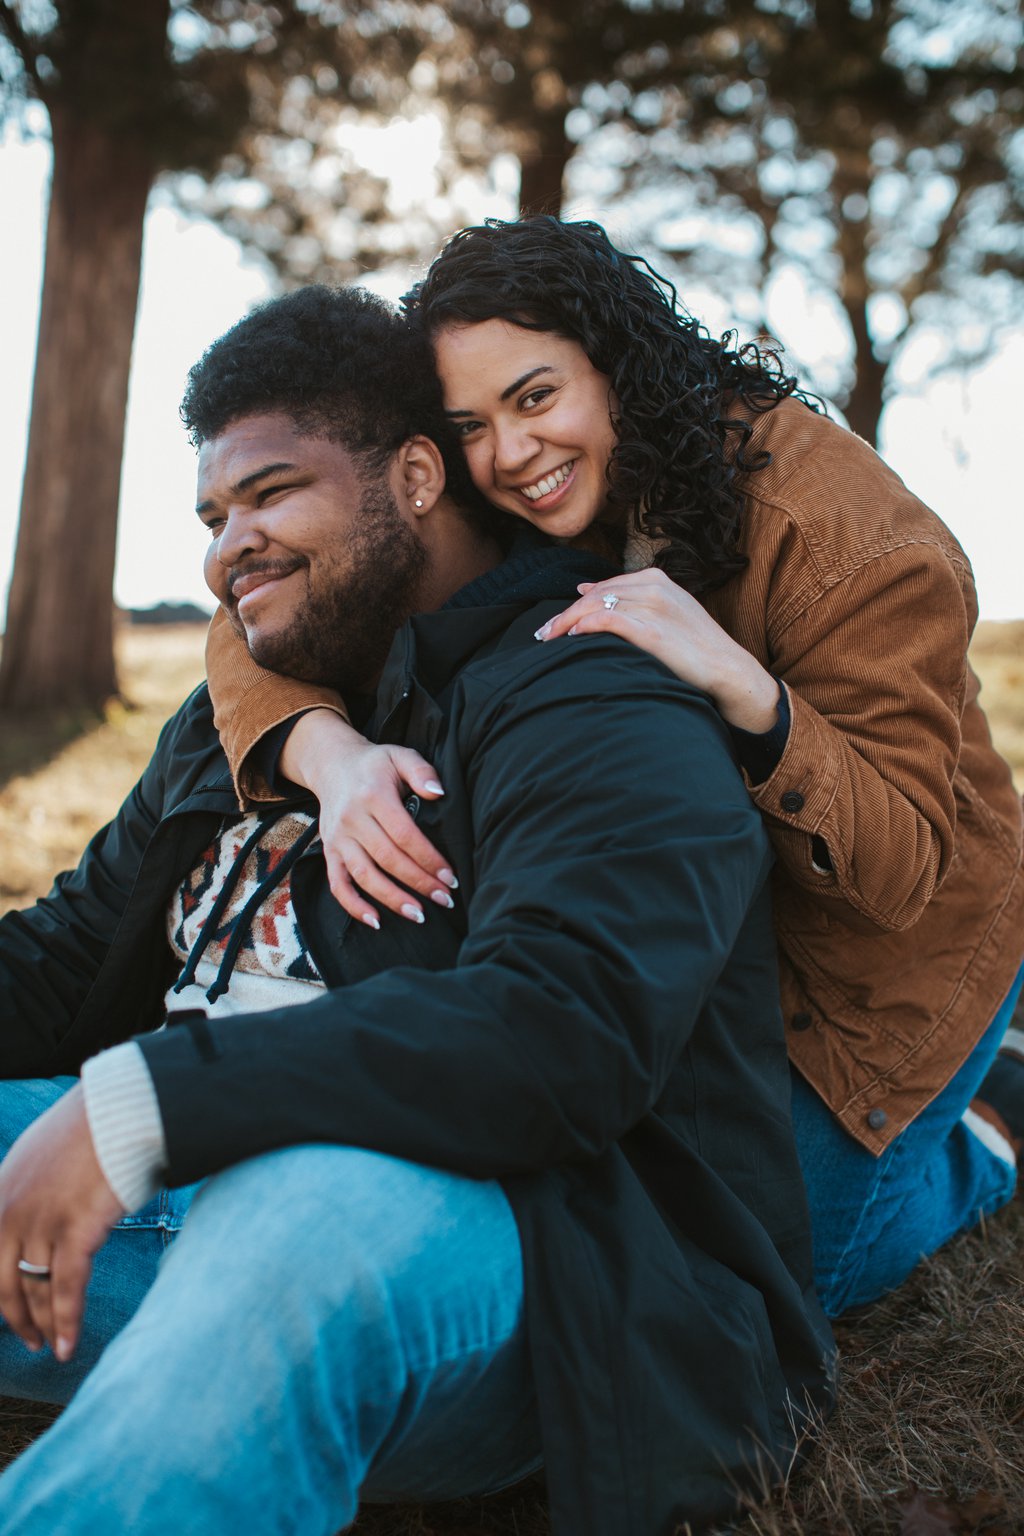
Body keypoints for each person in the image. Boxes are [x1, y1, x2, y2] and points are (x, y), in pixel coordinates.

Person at [0, 285, 834, 1536]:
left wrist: (142, 1104)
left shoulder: (585, 689)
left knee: (296, 1232)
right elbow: (65, 956)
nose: (233, 544)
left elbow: (564, 1035)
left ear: (414, 477)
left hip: (507, 1264)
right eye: (215, 516)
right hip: (178, 1206)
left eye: (272, 493)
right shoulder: (235, 725)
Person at [205, 217, 1024, 1320]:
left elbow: (900, 872)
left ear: (618, 364)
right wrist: (330, 752)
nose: (507, 456)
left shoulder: (852, 539)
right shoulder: (503, 479)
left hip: (887, 957)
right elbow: (262, 590)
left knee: (774, 1271)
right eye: (469, 426)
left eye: (537, 397)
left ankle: (991, 1132)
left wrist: (748, 692)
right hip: (684, 911)